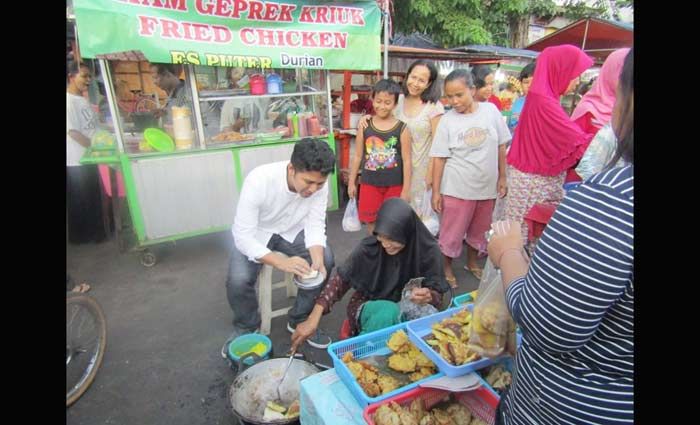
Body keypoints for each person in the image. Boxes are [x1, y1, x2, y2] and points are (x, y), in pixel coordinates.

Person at [489, 48, 633, 425]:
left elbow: (546, 325)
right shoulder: (541, 99)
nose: (575, 83)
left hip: (572, 406)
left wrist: (508, 256)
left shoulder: (610, 202)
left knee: (517, 239)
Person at [222, 139, 336, 355]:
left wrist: (317, 257)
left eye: (319, 184)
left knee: (327, 260)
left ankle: (300, 318)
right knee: (238, 279)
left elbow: (314, 223)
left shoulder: (320, 182)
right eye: (308, 182)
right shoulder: (259, 180)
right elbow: (243, 236)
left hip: (292, 231)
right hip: (257, 233)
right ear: (292, 168)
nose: (314, 189)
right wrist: (282, 262)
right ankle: (247, 326)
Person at [290, 198, 450, 350]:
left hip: (409, 307)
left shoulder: (429, 251)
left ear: (407, 232)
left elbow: (437, 295)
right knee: (388, 313)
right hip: (369, 306)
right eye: (381, 237)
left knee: (433, 328)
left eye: (392, 239)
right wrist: (313, 318)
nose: (386, 245)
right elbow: (339, 282)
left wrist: (429, 295)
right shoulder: (370, 248)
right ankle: (362, 357)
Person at [504, 44, 593, 248]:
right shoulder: (544, 101)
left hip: (533, 181)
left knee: (522, 239)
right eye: (574, 74)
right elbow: (575, 140)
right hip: (533, 185)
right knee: (524, 242)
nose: (577, 81)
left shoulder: (543, 97)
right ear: (559, 71)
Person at [429, 69, 510, 288]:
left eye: (459, 95)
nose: (454, 101)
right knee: (451, 232)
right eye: (449, 96)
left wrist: (503, 177)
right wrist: (436, 192)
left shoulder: (491, 111)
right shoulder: (447, 121)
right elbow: (439, 159)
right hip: (457, 188)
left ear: (472, 90)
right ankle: (446, 267)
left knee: (480, 229)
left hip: (486, 187)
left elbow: (501, 145)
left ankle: (472, 262)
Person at [358, 60, 444, 214]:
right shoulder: (399, 99)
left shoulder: (433, 107)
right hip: (395, 172)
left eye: (421, 80)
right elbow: (383, 117)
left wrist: (431, 176)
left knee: (418, 218)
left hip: (421, 172)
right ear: (407, 76)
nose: (415, 83)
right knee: (395, 217)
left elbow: (438, 147)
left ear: (429, 83)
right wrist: (367, 119)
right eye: (413, 77)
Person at [348, 79, 412, 235]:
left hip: (395, 185)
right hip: (369, 183)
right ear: (372, 99)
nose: (382, 106)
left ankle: (390, 254)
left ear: (395, 104)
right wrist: (352, 182)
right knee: (371, 222)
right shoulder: (365, 125)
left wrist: (406, 189)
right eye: (378, 101)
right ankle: (375, 252)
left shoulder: (402, 128)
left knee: (392, 223)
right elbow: (357, 156)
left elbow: (407, 160)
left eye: (387, 102)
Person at [565, 48, 631, 182]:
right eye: (624, 77)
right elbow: (570, 156)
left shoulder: (628, 112)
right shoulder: (589, 110)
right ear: (611, 73)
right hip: (585, 187)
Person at [66, 60, 107, 245]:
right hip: (77, 159)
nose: (88, 80)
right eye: (84, 76)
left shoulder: (82, 99)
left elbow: (92, 126)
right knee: (81, 200)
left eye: (90, 76)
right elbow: (73, 132)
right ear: (71, 77)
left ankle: (95, 233)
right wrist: (93, 147)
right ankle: (83, 237)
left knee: (91, 197)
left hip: (89, 157)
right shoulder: (68, 102)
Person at [219, 67, 263, 134]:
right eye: (236, 73)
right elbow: (223, 131)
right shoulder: (229, 102)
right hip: (238, 141)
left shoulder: (257, 96)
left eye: (243, 73)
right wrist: (235, 127)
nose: (240, 76)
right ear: (231, 79)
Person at [507, 62, 535, 134]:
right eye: (526, 82)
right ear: (521, 84)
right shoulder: (517, 102)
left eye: (534, 82)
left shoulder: (544, 105)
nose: (529, 86)